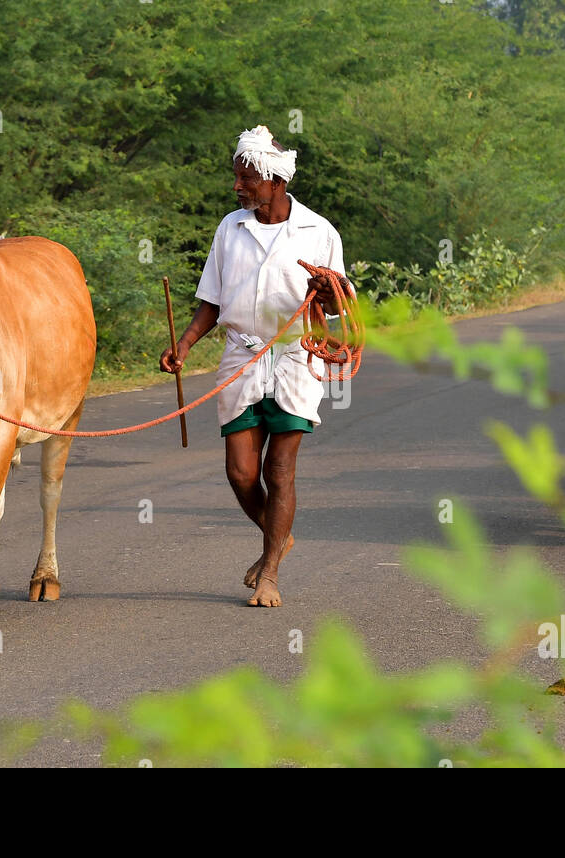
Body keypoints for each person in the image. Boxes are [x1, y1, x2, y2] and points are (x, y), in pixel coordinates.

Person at [159, 125, 352, 607]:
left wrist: (330, 294)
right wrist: (183, 345)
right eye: (237, 177)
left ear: (275, 182)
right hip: (241, 358)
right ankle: (278, 537)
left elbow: (337, 306)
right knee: (242, 473)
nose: (237, 187)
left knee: (279, 471)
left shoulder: (319, 232)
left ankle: (270, 572)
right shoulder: (230, 228)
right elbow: (211, 299)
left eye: (247, 179)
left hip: (294, 357)